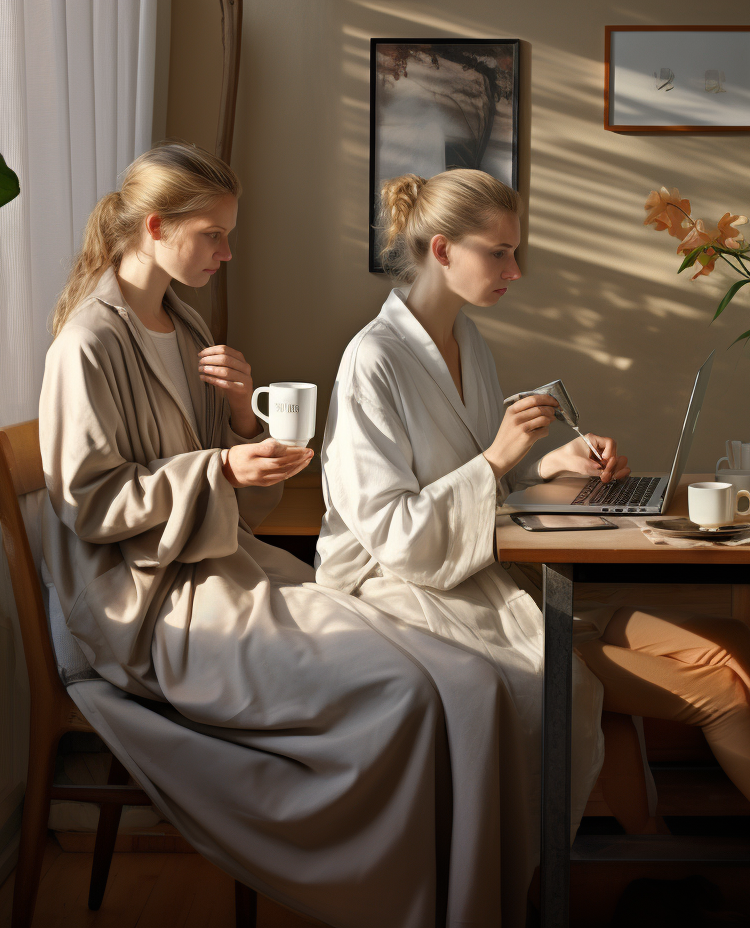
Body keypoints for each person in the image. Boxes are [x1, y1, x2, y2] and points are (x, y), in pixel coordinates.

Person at [39, 143, 532, 928]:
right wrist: (223, 468)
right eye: (213, 236)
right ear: (157, 226)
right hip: (150, 602)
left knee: (469, 684)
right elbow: (91, 506)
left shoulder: (184, 321)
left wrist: (241, 424)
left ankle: (471, 906)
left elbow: (231, 507)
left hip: (231, 569)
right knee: (403, 692)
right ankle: (392, 902)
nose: (228, 254)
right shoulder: (88, 346)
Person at [315, 168, 750, 855]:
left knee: (732, 642)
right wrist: (498, 458)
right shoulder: (372, 361)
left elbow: (467, 487)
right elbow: (398, 535)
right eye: (498, 253)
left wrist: (545, 466)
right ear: (441, 251)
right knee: (718, 692)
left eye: (514, 251)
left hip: (489, 570)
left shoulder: (469, 345)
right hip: (414, 594)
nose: (514, 270)